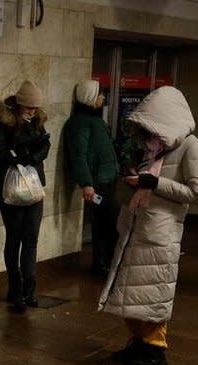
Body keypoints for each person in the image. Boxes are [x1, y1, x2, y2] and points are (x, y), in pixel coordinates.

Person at [99, 86, 198, 365]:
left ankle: (155, 350)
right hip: (138, 228)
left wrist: (154, 183)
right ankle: (139, 343)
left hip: (161, 234)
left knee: (152, 292)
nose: (149, 137)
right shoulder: (157, 148)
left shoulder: (193, 147)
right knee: (132, 293)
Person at [0, 80, 51, 313]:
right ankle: (15, 290)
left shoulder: (38, 121)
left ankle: (28, 290)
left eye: (35, 108)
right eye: (28, 108)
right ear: (19, 104)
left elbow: (45, 147)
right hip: (9, 186)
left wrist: (33, 154)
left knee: (31, 237)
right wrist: (23, 152)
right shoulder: (2, 121)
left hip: (33, 186)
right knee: (15, 236)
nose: (32, 112)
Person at [64, 80, 119, 275]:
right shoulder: (80, 123)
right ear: (90, 98)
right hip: (98, 182)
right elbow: (79, 155)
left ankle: (107, 262)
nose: (103, 98)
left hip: (107, 179)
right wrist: (87, 183)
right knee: (104, 223)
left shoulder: (95, 121)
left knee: (109, 221)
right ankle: (101, 263)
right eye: (100, 94)